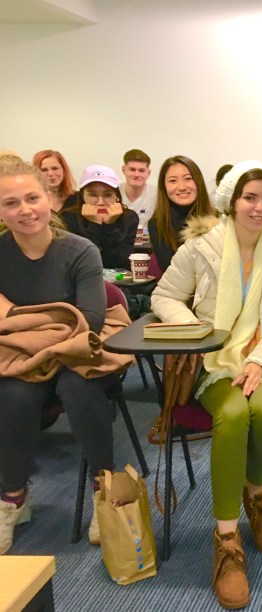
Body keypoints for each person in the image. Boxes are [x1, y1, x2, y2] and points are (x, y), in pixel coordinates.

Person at [151, 162, 262, 609]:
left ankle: (257, 496)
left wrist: (261, 360)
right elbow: (163, 296)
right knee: (233, 413)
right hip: (215, 359)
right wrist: (194, 331)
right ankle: (227, 538)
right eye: (250, 198)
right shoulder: (201, 247)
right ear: (231, 200)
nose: (260, 208)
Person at [0, 160, 119, 554]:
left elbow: (89, 323)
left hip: (79, 354)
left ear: (50, 199)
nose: (25, 210)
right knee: (14, 397)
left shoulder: (80, 250)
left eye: (32, 198)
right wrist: (54, 320)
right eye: (11, 203)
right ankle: (13, 498)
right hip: (24, 359)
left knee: (77, 387)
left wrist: (13, 315)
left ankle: (106, 490)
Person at [148, 155, 217, 272]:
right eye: (173, 181)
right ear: (164, 187)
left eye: (188, 179)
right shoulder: (158, 224)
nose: (182, 187)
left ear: (198, 182)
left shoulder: (217, 219)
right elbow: (171, 270)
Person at [61, 165, 139, 269]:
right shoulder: (68, 218)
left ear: (116, 197)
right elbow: (84, 262)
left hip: (119, 282)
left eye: (107, 195)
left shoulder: (130, 217)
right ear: (83, 196)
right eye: (93, 195)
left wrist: (109, 226)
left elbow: (117, 263)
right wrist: (94, 225)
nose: (100, 202)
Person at [120, 149, 158, 230]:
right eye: (132, 170)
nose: (136, 174)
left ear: (148, 173)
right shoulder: (113, 193)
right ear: (124, 170)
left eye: (141, 171)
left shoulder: (158, 195)